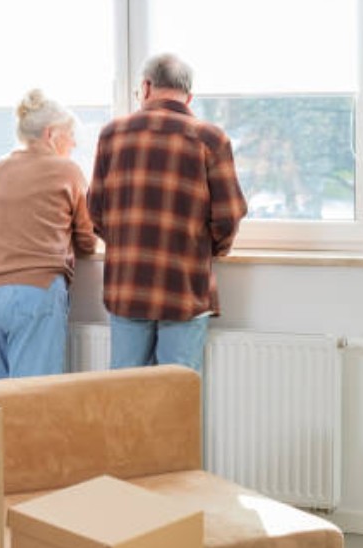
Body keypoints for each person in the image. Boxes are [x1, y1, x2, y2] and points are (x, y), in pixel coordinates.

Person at [88, 53, 247, 373]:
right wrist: (205, 250)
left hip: (127, 286)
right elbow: (228, 215)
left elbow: (96, 211)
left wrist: (127, 242)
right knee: (178, 397)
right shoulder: (211, 138)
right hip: (184, 287)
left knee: (125, 392)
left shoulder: (112, 134)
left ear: (146, 88)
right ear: (188, 96)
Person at [0, 89, 98, 380]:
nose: (74, 142)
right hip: (34, 291)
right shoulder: (67, 170)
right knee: (34, 400)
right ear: (51, 134)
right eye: (70, 134)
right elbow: (87, 240)